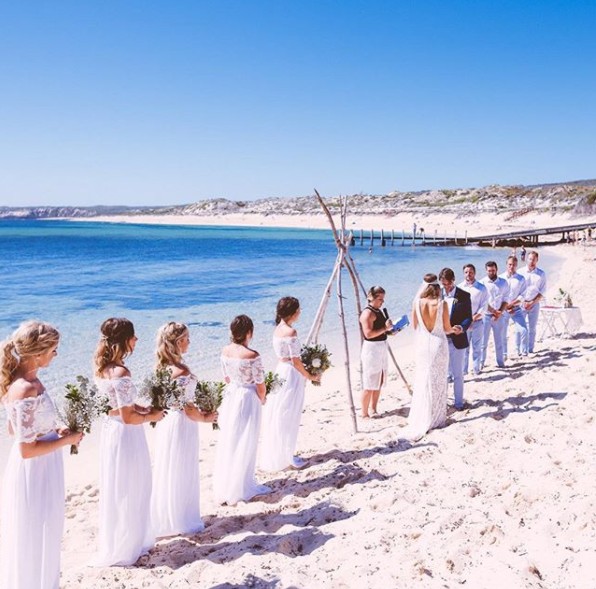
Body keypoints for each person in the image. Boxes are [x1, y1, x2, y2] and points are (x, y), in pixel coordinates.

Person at [0, 321, 83, 589]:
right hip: (34, 468)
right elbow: (25, 449)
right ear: (38, 353)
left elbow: (15, 428)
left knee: (47, 529)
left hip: (45, 465)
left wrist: (55, 427)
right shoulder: (24, 387)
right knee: (34, 532)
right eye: (54, 350)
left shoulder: (32, 380)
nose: (56, 355)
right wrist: (67, 440)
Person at [92, 318, 165, 567]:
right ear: (125, 340)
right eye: (133, 336)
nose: (137, 340)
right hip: (126, 434)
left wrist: (140, 407)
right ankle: (129, 544)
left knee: (119, 486)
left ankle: (125, 539)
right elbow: (128, 417)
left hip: (111, 432)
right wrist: (153, 416)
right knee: (134, 485)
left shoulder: (102, 369)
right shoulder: (121, 372)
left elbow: (116, 407)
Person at [150, 322, 217, 538]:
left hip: (166, 422)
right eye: (187, 338)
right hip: (181, 423)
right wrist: (207, 417)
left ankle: (168, 517)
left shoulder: (161, 369)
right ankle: (181, 519)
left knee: (169, 468)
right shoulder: (181, 371)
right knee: (182, 468)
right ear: (179, 342)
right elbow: (187, 408)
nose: (189, 342)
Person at [214, 315, 271, 505]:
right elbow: (260, 385)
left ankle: (228, 482)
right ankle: (242, 484)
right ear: (249, 332)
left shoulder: (225, 351)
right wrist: (262, 399)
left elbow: (227, 379)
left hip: (231, 396)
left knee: (231, 438)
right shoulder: (252, 355)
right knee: (247, 439)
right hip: (247, 397)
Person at [260, 297, 319, 472]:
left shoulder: (277, 329)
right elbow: (296, 361)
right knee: (290, 413)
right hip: (291, 374)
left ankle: (282, 452)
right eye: (298, 309)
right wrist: (310, 376)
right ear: (293, 312)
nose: (300, 312)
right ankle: (286, 454)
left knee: (280, 412)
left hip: (281, 370)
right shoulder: (291, 332)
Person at [400, 275, 462, 441]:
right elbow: (447, 328)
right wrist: (455, 330)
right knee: (438, 381)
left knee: (423, 379)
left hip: (422, 345)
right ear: (437, 286)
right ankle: (435, 418)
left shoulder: (417, 303)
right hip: (438, 345)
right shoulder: (442, 304)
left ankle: (421, 415)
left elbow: (415, 326)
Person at [439, 268, 473, 410]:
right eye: (443, 284)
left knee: (458, 373)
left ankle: (458, 403)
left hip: (458, 340)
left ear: (453, 280)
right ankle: (442, 402)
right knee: (443, 374)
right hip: (441, 340)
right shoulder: (438, 295)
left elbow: (468, 317)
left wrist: (462, 327)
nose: (446, 287)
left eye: (447, 284)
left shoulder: (464, 295)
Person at [359, 286, 393, 418]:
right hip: (372, 349)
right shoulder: (367, 314)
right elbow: (368, 334)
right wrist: (385, 328)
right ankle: (364, 413)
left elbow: (382, 330)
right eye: (379, 299)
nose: (382, 302)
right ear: (370, 298)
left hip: (381, 346)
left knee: (379, 380)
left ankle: (373, 408)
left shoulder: (378, 311)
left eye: (383, 299)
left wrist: (390, 330)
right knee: (369, 382)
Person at [458, 264, 488, 375]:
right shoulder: (459, 287)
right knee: (464, 348)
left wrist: (472, 319)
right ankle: (464, 371)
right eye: (466, 272)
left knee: (477, 347)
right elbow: (457, 307)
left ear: (474, 273)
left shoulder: (481, 288)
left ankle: (476, 369)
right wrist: (465, 321)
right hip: (464, 324)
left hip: (478, 322)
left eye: (470, 272)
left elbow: (484, 306)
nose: (468, 274)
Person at [480, 261, 510, 368]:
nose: (491, 272)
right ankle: (481, 364)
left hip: (500, 316)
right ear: (486, 271)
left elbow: (506, 299)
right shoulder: (482, 283)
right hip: (486, 316)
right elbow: (482, 302)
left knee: (500, 341)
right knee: (483, 342)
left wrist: (499, 312)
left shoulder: (503, 282)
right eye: (489, 270)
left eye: (493, 270)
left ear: (496, 269)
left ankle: (501, 363)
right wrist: (493, 311)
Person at [520, 251, 547, 354]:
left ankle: (530, 349)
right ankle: (520, 349)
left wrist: (532, 302)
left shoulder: (541, 274)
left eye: (534, 259)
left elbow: (542, 291)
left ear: (537, 260)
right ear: (527, 259)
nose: (532, 261)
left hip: (535, 304)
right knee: (521, 328)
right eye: (530, 259)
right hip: (522, 303)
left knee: (532, 327)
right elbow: (517, 290)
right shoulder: (520, 272)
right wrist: (523, 302)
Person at [500, 255, 528, 358]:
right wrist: (506, 307)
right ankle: (504, 354)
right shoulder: (501, 278)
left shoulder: (521, 279)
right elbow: (499, 295)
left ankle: (523, 352)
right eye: (510, 264)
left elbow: (523, 295)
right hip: (503, 309)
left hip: (516, 308)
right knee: (503, 333)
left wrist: (512, 305)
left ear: (517, 266)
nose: (512, 267)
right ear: (506, 265)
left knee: (524, 330)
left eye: (514, 265)